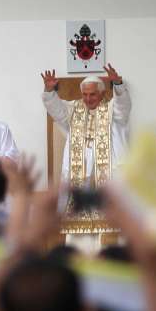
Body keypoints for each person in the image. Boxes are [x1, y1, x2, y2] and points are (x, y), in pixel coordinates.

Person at [41, 64, 131, 253]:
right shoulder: (74, 111)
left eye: (93, 94)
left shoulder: (113, 111)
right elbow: (56, 109)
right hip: (80, 180)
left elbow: (124, 105)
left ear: (101, 93)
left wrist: (118, 84)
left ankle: (108, 264)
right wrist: (50, 91)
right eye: (86, 94)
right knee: (78, 225)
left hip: (106, 179)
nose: (89, 98)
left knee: (108, 227)